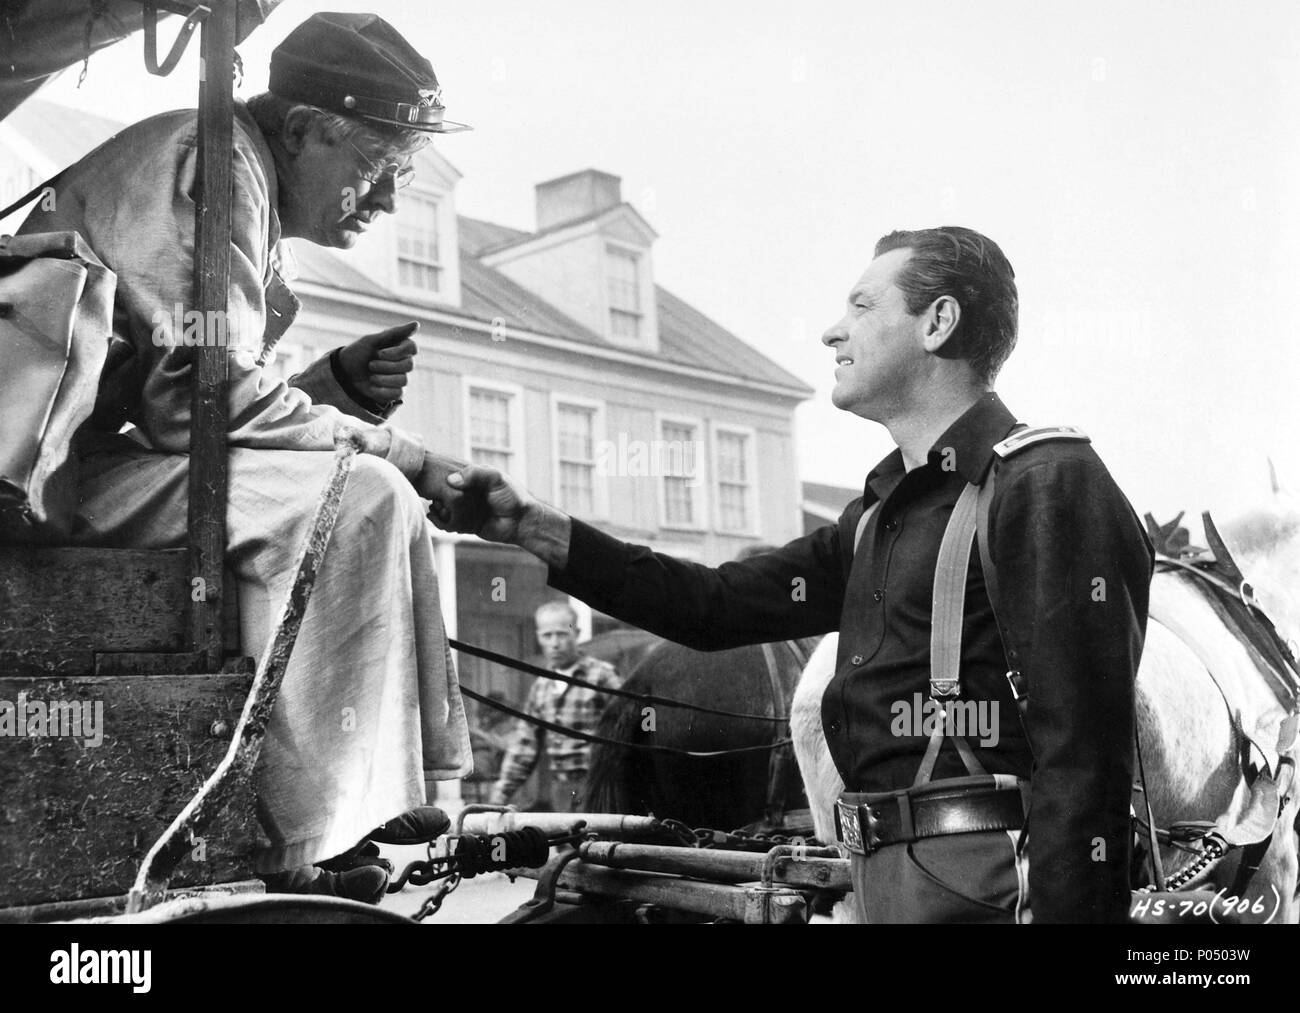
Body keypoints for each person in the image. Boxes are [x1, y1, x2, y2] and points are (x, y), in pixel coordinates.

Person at [438, 227, 1155, 923]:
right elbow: (712, 607)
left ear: (938, 323)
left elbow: (1085, 766)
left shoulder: (1046, 484)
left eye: (862, 306)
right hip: (879, 882)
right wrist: (524, 523)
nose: (831, 332)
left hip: (990, 888)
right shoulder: (877, 518)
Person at [18, 13, 478, 902]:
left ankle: (368, 792)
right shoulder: (215, 161)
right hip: (45, 470)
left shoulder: (239, 174)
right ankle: (307, 828)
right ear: (305, 127)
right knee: (363, 495)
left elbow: (191, 391)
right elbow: (200, 402)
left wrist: (327, 388)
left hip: (83, 458)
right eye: (378, 171)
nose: (383, 203)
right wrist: (403, 450)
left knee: (356, 489)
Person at [489, 601, 621, 812]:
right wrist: (500, 793)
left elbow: (626, 727)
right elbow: (524, 745)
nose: (555, 643)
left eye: (561, 634)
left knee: (598, 843)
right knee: (566, 841)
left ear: (576, 633)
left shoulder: (602, 676)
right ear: (539, 637)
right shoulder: (541, 687)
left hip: (600, 783)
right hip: (561, 789)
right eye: (547, 636)